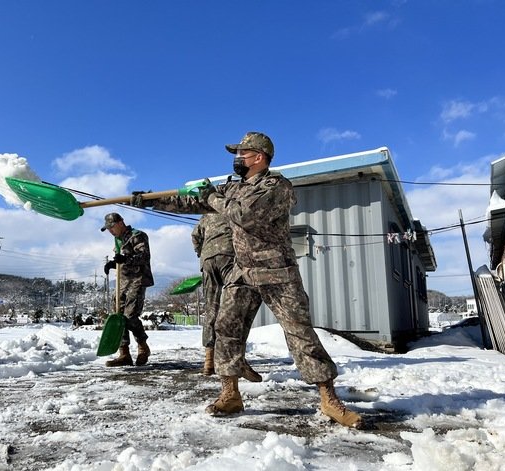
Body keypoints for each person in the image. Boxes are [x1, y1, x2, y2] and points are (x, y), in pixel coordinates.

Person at [132, 132, 362, 428]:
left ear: (259, 157)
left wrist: (211, 197)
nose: (236, 158)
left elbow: (245, 215)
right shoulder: (234, 187)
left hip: (276, 270)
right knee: (226, 328)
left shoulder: (276, 186)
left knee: (299, 333)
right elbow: (192, 203)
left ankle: (329, 400)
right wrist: (151, 201)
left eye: (242, 152)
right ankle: (230, 394)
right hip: (243, 271)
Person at [191, 213, 261, 382]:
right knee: (234, 307)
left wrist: (202, 252)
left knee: (211, 308)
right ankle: (237, 359)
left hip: (207, 260)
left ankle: (209, 360)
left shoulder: (206, 215)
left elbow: (195, 237)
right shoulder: (231, 207)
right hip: (229, 255)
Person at [101, 212, 154, 367]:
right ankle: (124, 353)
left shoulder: (137, 235)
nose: (110, 231)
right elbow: (121, 259)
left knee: (130, 316)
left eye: (112, 227)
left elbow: (144, 256)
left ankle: (143, 346)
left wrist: (126, 259)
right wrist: (113, 263)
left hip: (138, 279)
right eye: (108, 228)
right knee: (118, 315)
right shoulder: (118, 240)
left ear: (120, 223)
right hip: (123, 281)